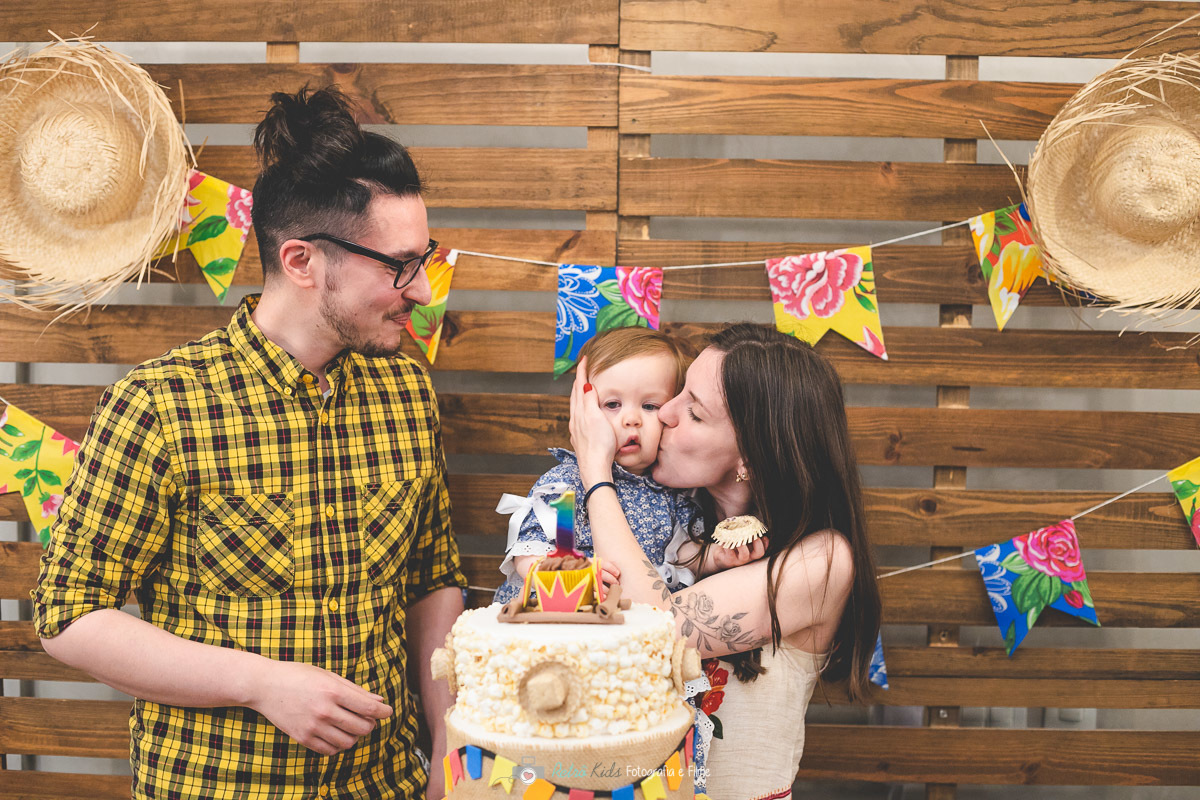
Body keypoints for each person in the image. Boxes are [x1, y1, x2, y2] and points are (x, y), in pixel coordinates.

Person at [32, 86, 466, 800]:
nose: (421, 291)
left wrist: (448, 747)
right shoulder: (160, 405)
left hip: (383, 783)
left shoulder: (405, 392)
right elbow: (69, 616)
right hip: (220, 785)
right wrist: (261, 684)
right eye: (399, 265)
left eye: (425, 258)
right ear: (300, 261)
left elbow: (431, 578)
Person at [569, 323, 882, 800]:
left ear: (752, 458)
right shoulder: (667, 522)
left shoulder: (822, 560)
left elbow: (656, 631)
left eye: (692, 411)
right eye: (676, 395)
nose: (665, 414)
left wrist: (594, 469)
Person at [494, 327, 760, 606]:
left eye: (649, 406)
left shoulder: (671, 492)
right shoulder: (568, 483)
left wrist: (713, 557)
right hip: (561, 620)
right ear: (585, 413)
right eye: (612, 404)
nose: (631, 419)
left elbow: (680, 555)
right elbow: (529, 551)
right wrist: (569, 573)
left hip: (633, 626)